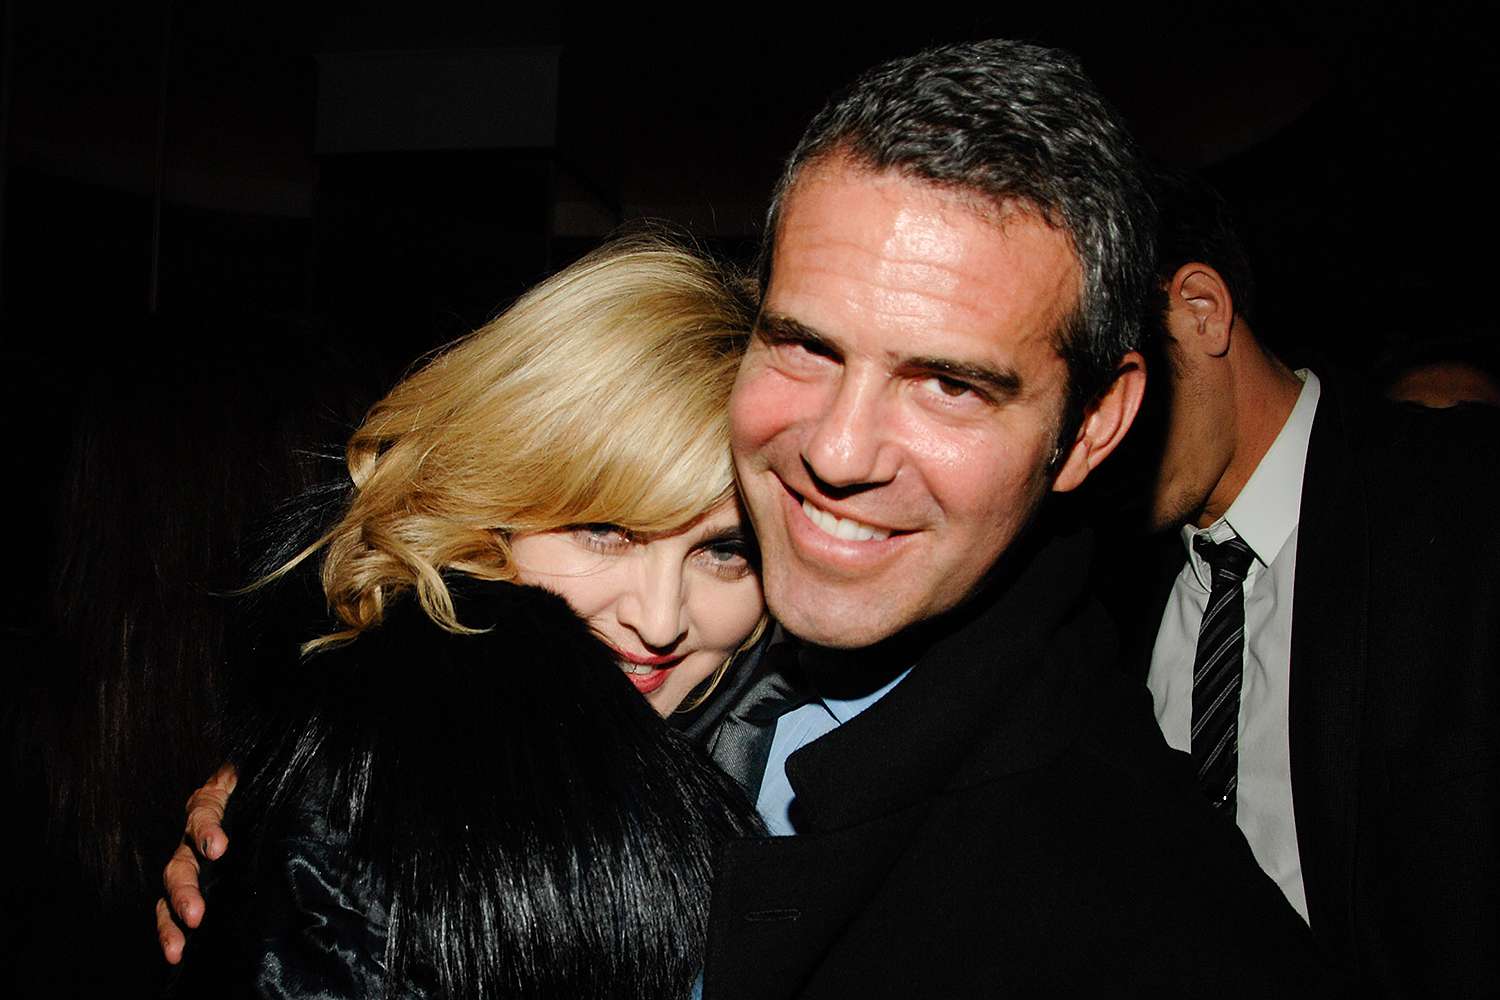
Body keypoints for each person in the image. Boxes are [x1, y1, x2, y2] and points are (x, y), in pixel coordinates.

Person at [167, 42, 1335, 997]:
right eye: (805, 345)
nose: (836, 451)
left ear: (1093, 425)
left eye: (949, 383)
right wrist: (319, 785)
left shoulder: (1141, 901)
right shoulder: (437, 740)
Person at [161, 234, 768, 998]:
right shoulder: (375, 812)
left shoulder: (789, 724)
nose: (659, 619)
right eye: (604, 531)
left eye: (724, 551)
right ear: (493, 503)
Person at [1113, 168, 1500, 996]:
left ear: (1200, 311)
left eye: (1109, 379)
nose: (1088, 433)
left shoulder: (1462, 495)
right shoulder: (1096, 593)